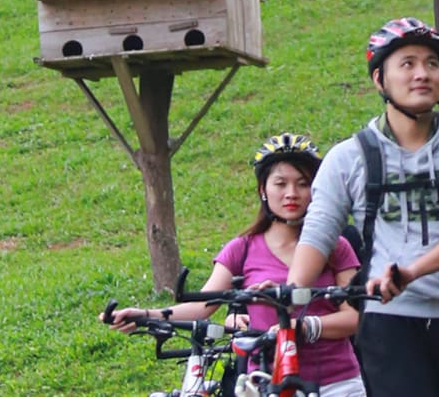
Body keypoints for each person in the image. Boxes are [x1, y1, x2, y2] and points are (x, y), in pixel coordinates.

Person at [288, 17, 439, 397]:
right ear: (379, 80)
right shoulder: (348, 157)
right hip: (391, 321)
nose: (422, 74)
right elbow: (319, 231)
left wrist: (411, 271)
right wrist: (290, 294)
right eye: (407, 63)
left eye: (431, 63)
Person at [107, 133, 366, 397]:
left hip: (338, 382)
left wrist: (305, 326)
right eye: (280, 183)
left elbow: (356, 316)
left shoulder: (336, 247)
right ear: (262, 190)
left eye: (302, 184)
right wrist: (145, 315)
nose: (291, 193)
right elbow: (201, 306)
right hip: (266, 381)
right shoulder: (241, 249)